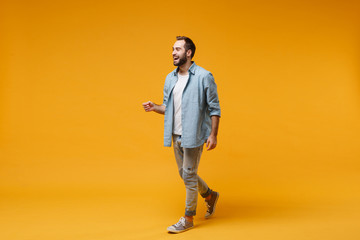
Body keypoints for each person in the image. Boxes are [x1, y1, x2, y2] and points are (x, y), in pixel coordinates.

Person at [142, 36, 221, 233]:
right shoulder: (170, 78)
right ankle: (210, 196)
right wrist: (155, 107)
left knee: (189, 174)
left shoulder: (204, 76)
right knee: (184, 174)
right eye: (172, 49)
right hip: (175, 135)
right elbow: (167, 107)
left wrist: (213, 135)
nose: (173, 52)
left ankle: (188, 218)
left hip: (194, 135)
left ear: (189, 52)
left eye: (177, 49)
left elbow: (214, 108)